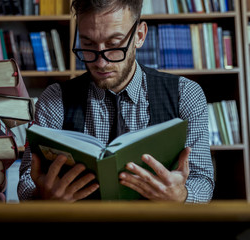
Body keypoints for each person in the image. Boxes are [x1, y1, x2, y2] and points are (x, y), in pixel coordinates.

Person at [18, 0, 214, 203]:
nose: (101, 63)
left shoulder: (185, 93)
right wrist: (42, 196)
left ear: (140, 36)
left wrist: (181, 196)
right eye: (88, 44)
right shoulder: (54, 98)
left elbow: (203, 180)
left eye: (113, 45)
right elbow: (26, 180)